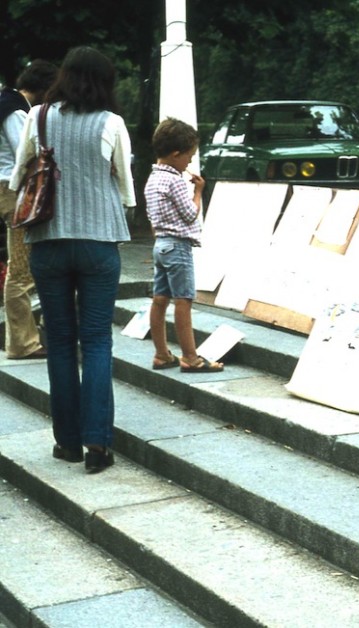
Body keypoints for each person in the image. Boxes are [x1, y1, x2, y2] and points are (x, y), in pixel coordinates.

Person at [9, 47, 136, 474]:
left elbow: (19, 173)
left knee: (61, 342)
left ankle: (67, 443)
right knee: (97, 341)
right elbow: (125, 186)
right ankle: (98, 444)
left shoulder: (39, 116)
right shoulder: (112, 122)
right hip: (100, 242)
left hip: (47, 239)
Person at [145, 117, 223, 374]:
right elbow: (191, 214)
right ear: (176, 154)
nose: (189, 162)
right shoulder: (176, 180)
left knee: (159, 300)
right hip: (178, 246)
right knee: (183, 300)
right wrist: (198, 191)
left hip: (160, 245)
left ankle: (161, 353)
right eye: (188, 156)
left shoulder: (153, 179)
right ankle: (190, 356)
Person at [0, 59, 58, 359]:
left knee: (21, 267)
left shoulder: (7, 101)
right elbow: (27, 155)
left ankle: (23, 339)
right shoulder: (15, 111)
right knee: (21, 270)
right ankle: (23, 343)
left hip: (7, 189)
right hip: (13, 190)